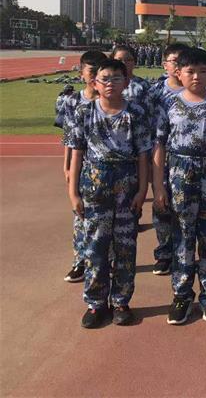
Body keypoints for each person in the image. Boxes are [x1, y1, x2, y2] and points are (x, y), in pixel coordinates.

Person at [153, 48, 206, 325]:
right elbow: (159, 146)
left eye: (203, 71)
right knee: (182, 238)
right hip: (180, 180)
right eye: (190, 71)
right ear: (179, 73)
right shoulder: (169, 105)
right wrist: (159, 187)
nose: (197, 76)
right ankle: (181, 295)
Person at [67, 58, 150, 327]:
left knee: (125, 246)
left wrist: (142, 190)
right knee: (96, 246)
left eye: (116, 78)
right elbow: (77, 153)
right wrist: (73, 193)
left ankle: (121, 301)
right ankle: (96, 303)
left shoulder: (136, 113)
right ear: (95, 83)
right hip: (95, 185)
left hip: (127, 184)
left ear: (126, 82)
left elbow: (143, 155)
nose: (110, 83)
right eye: (105, 79)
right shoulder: (84, 112)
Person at [58, 49, 106, 283]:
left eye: (99, 71)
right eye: (91, 71)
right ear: (82, 73)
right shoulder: (72, 101)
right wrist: (67, 168)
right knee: (80, 216)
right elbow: (69, 138)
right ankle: (80, 261)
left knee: (107, 219)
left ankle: (106, 260)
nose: (95, 76)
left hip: (107, 169)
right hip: (83, 167)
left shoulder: (111, 100)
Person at [146, 43, 188, 276]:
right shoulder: (154, 93)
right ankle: (164, 253)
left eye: (182, 61)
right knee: (162, 206)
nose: (178, 66)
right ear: (165, 65)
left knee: (185, 210)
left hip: (187, 162)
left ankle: (183, 253)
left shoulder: (197, 89)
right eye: (174, 61)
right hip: (160, 156)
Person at [112, 45, 150, 110]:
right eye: (119, 60)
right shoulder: (106, 83)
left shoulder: (143, 85)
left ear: (134, 62)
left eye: (128, 60)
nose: (124, 63)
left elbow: (149, 109)